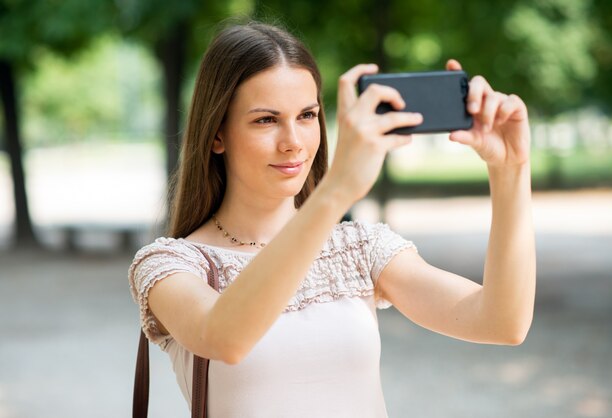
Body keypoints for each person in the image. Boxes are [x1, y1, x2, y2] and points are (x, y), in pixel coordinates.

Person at [128, 21, 535, 417]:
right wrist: (336, 190)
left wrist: (511, 169)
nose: (293, 142)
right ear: (217, 134)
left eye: (307, 115)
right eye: (266, 120)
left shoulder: (358, 248)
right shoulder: (171, 265)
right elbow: (225, 337)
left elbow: (502, 322)